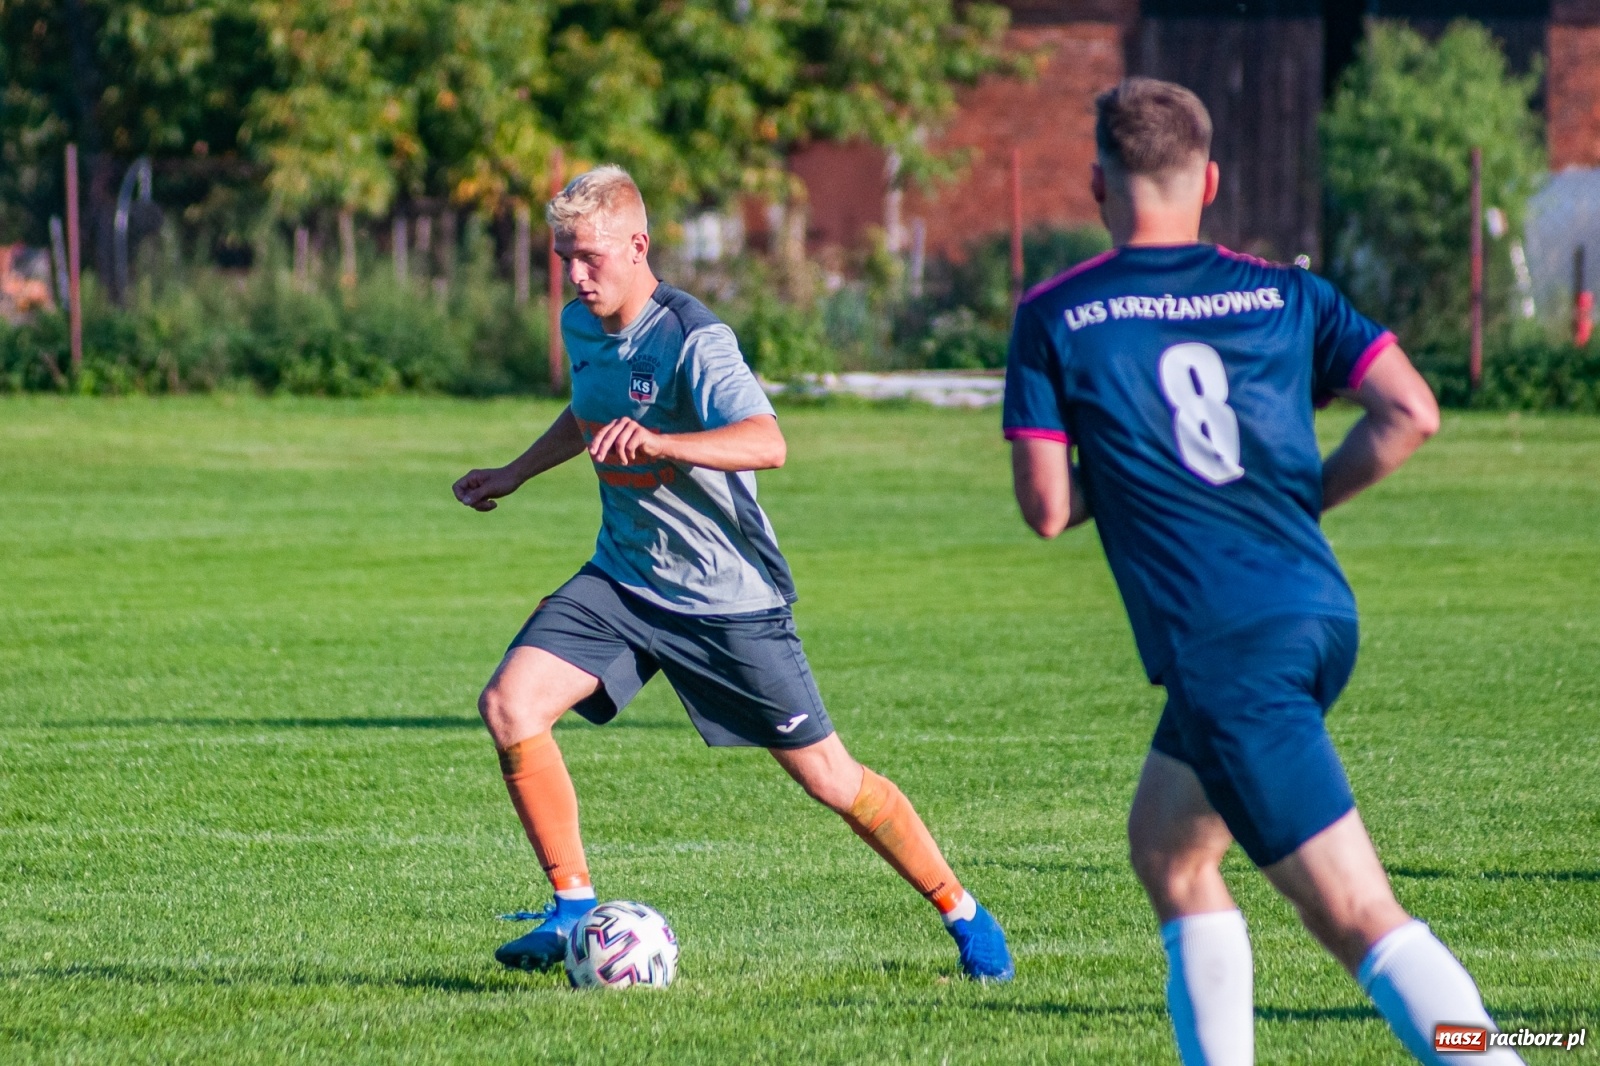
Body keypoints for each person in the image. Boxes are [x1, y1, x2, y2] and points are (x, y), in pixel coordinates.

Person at [1004, 78, 1522, 1064]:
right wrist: (1294, 499)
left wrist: (1127, 457)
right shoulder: (1288, 293)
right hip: (1313, 609)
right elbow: (1409, 411)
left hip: (1226, 644)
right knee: (1169, 846)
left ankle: (1492, 1052)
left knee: (1359, 913)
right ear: (1206, 181)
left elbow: (1045, 508)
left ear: (1094, 186)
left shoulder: (1058, 314)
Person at [453, 165, 1012, 981]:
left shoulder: (693, 338)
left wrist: (664, 442)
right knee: (510, 704)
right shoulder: (583, 324)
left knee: (832, 779)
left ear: (638, 246)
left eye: (590, 257)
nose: (575, 275)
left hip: (726, 604)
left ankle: (962, 911)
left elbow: (767, 441)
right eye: (563, 256)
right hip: (623, 581)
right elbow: (587, 412)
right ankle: (572, 905)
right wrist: (514, 472)